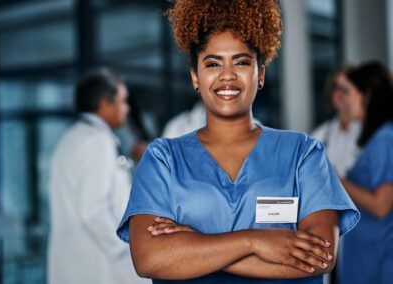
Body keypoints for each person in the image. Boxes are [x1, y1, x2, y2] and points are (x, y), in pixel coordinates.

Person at [117, 1, 360, 283]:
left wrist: (196, 245)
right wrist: (253, 241)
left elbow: (320, 256)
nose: (228, 75)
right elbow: (149, 258)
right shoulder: (162, 159)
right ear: (196, 76)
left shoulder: (303, 154)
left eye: (242, 62)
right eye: (213, 63)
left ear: (261, 75)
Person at [48, 68, 149, 284]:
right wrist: (128, 250)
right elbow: (94, 212)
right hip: (97, 268)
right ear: (105, 103)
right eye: (122, 101)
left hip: (74, 265)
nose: (126, 108)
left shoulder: (72, 138)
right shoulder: (97, 142)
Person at [338, 62, 393, 284]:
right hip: (366, 263)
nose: (343, 101)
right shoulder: (377, 140)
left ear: (367, 95)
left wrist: (337, 180)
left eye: (348, 93)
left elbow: (381, 205)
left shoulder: (385, 139)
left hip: (377, 265)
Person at [311, 66, 362, 177]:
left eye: (346, 88)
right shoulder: (320, 135)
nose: (341, 94)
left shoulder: (373, 133)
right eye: (336, 88)